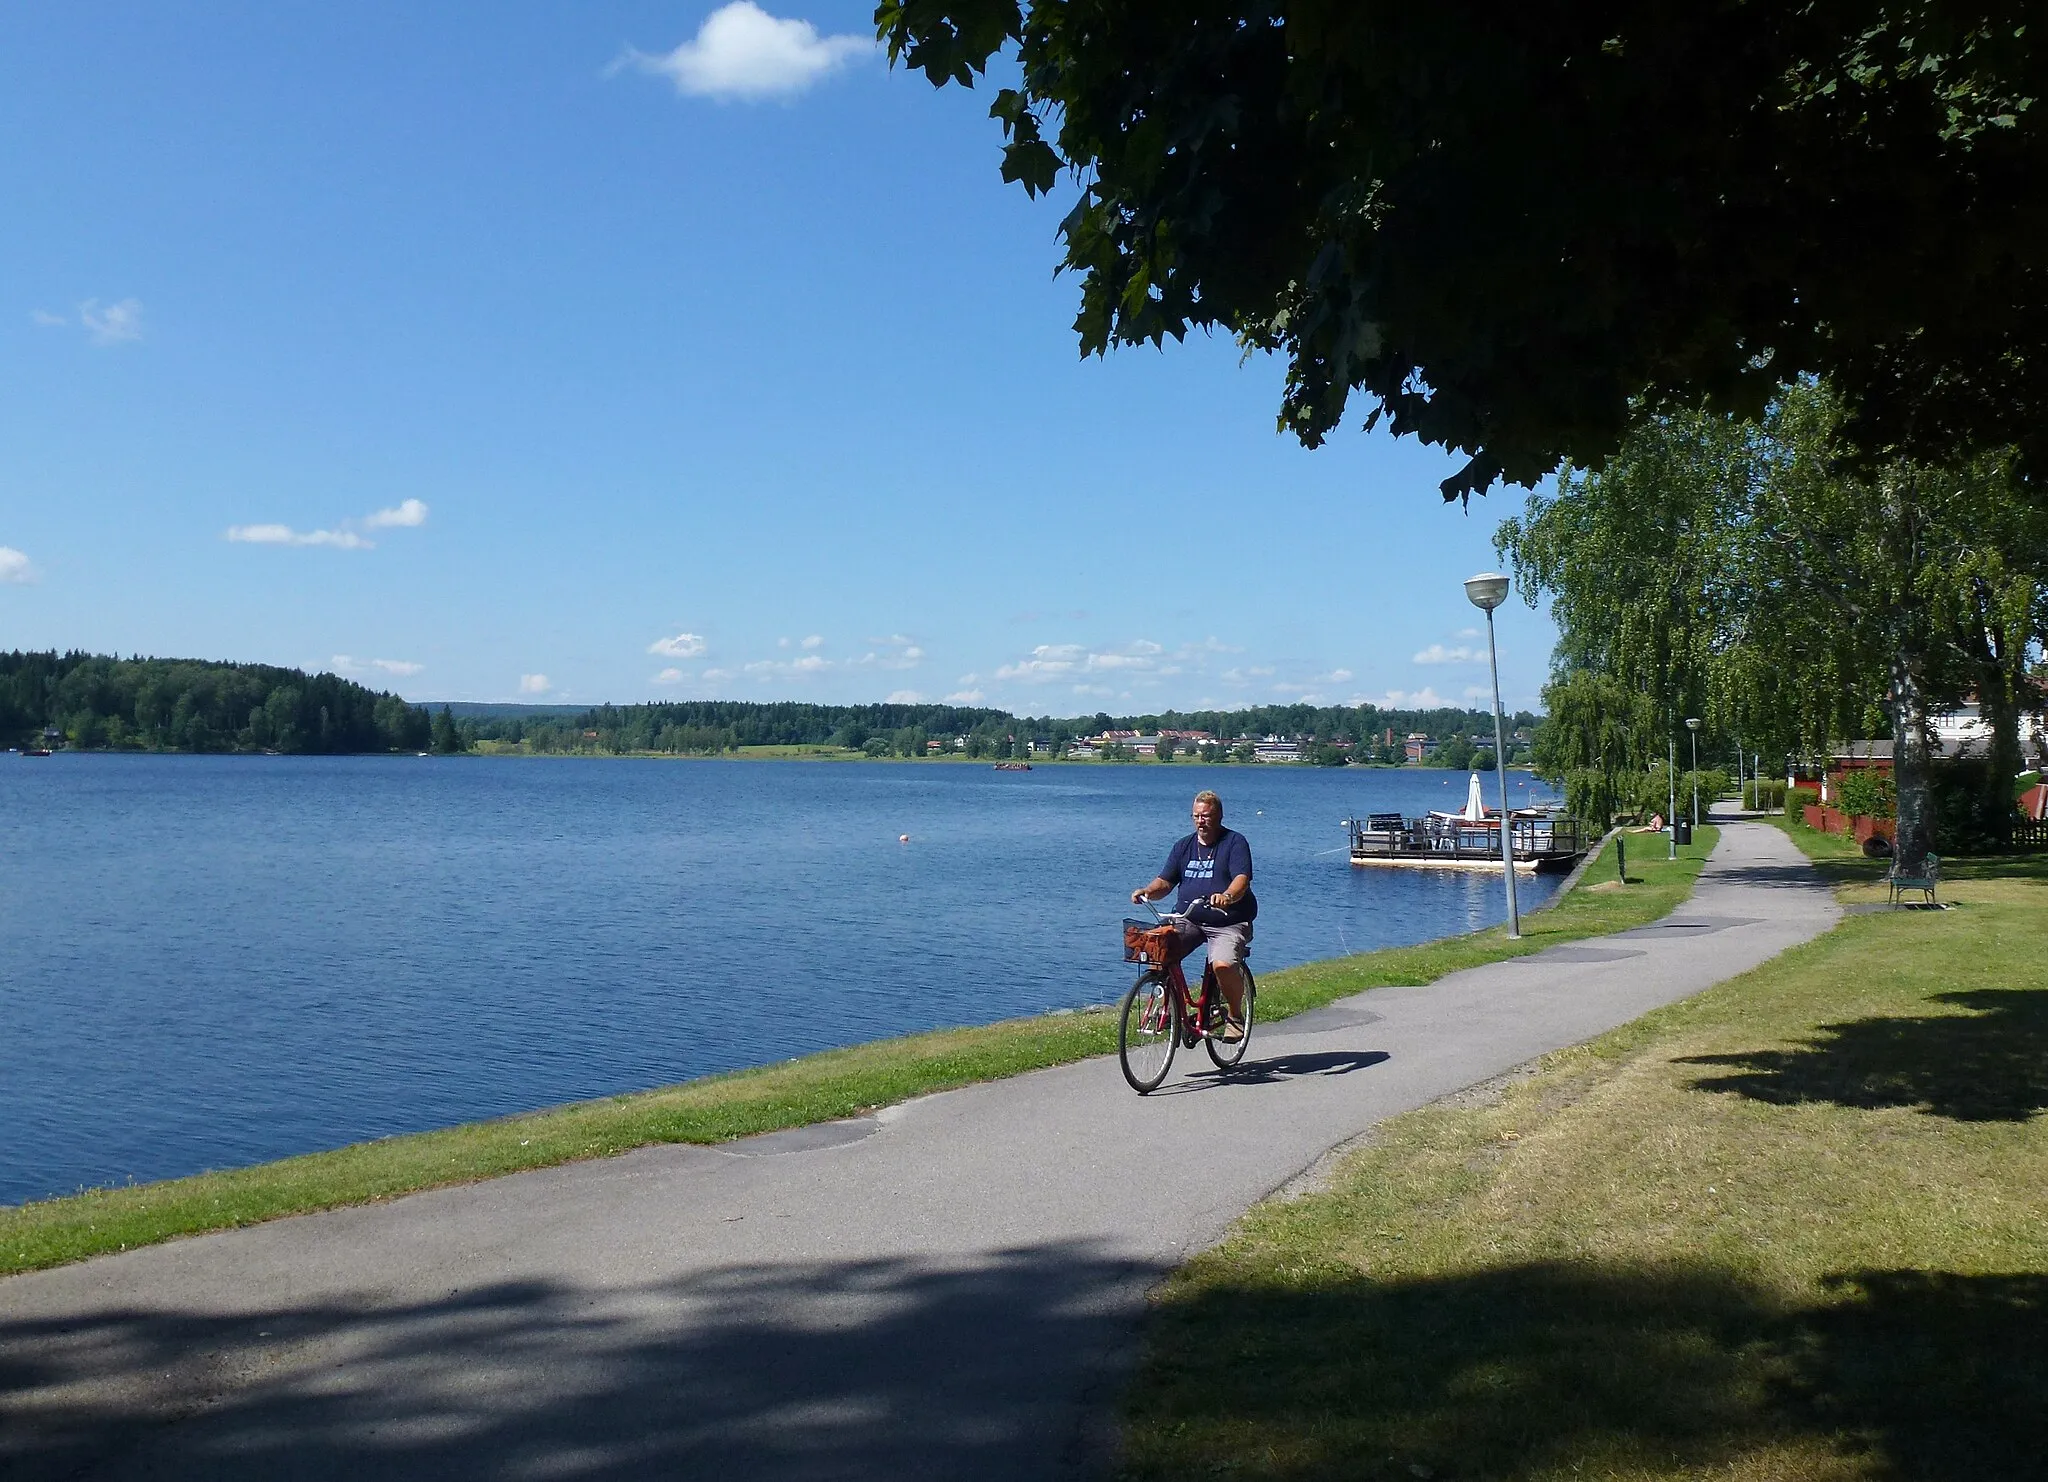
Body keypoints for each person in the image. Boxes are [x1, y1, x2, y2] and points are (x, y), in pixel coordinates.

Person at [1130, 790, 1257, 1040]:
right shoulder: (1183, 846)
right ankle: (1169, 1009)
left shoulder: (1234, 843)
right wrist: (1147, 891)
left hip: (1228, 920)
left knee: (1222, 964)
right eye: (1196, 816)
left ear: (1218, 816)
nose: (1201, 821)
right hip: (1188, 918)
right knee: (1158, 950)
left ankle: (1234, 1015)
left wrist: (1228, 896)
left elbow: (1242, 879)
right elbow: (1165, 882)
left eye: (1206, 816)